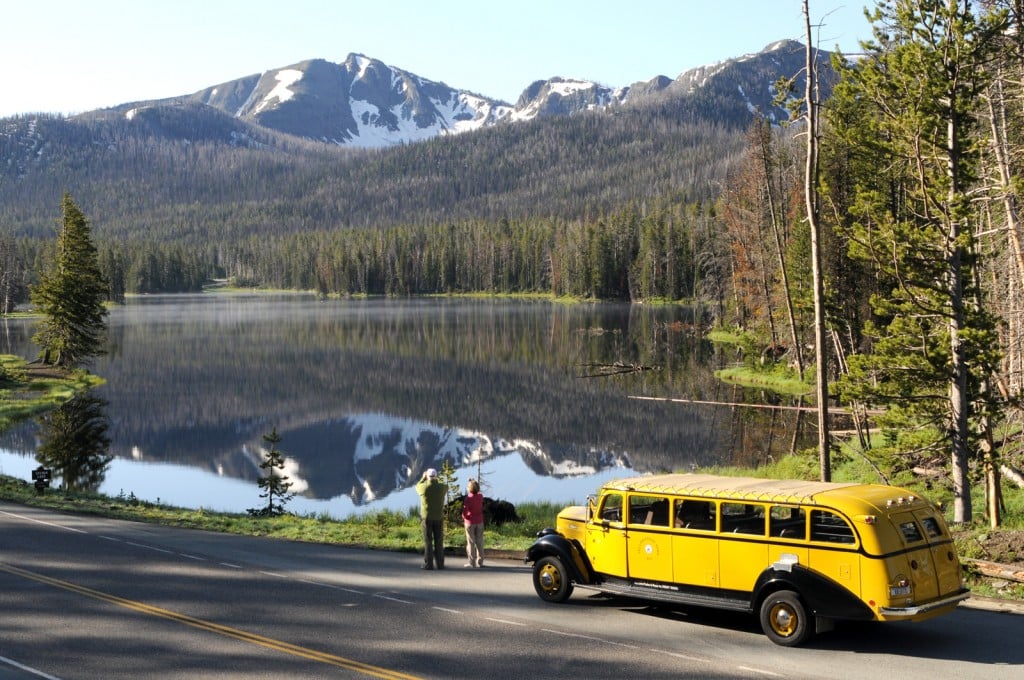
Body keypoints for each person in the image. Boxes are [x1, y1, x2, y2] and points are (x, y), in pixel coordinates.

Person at [416, 468, 447, 570]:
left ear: (427, 477)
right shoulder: (441, 487)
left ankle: (428, 565)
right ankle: (440, 564)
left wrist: (423, 478)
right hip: (439, 517)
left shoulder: (423, 488)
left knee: (428, 541)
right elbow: (445, 485)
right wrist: (437, 479)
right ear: (436, 477)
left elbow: (417, 486)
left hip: (427, 518)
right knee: (439, 541)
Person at [461, 479, 485, 567]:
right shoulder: (480, 496)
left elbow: (465, 511)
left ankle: (472, 562)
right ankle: (480, 562)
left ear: (469, 488)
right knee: (479, 541)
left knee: (471, 542)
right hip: (479, 521)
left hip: (470, 522)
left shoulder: (468, 499)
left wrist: (464, 516)